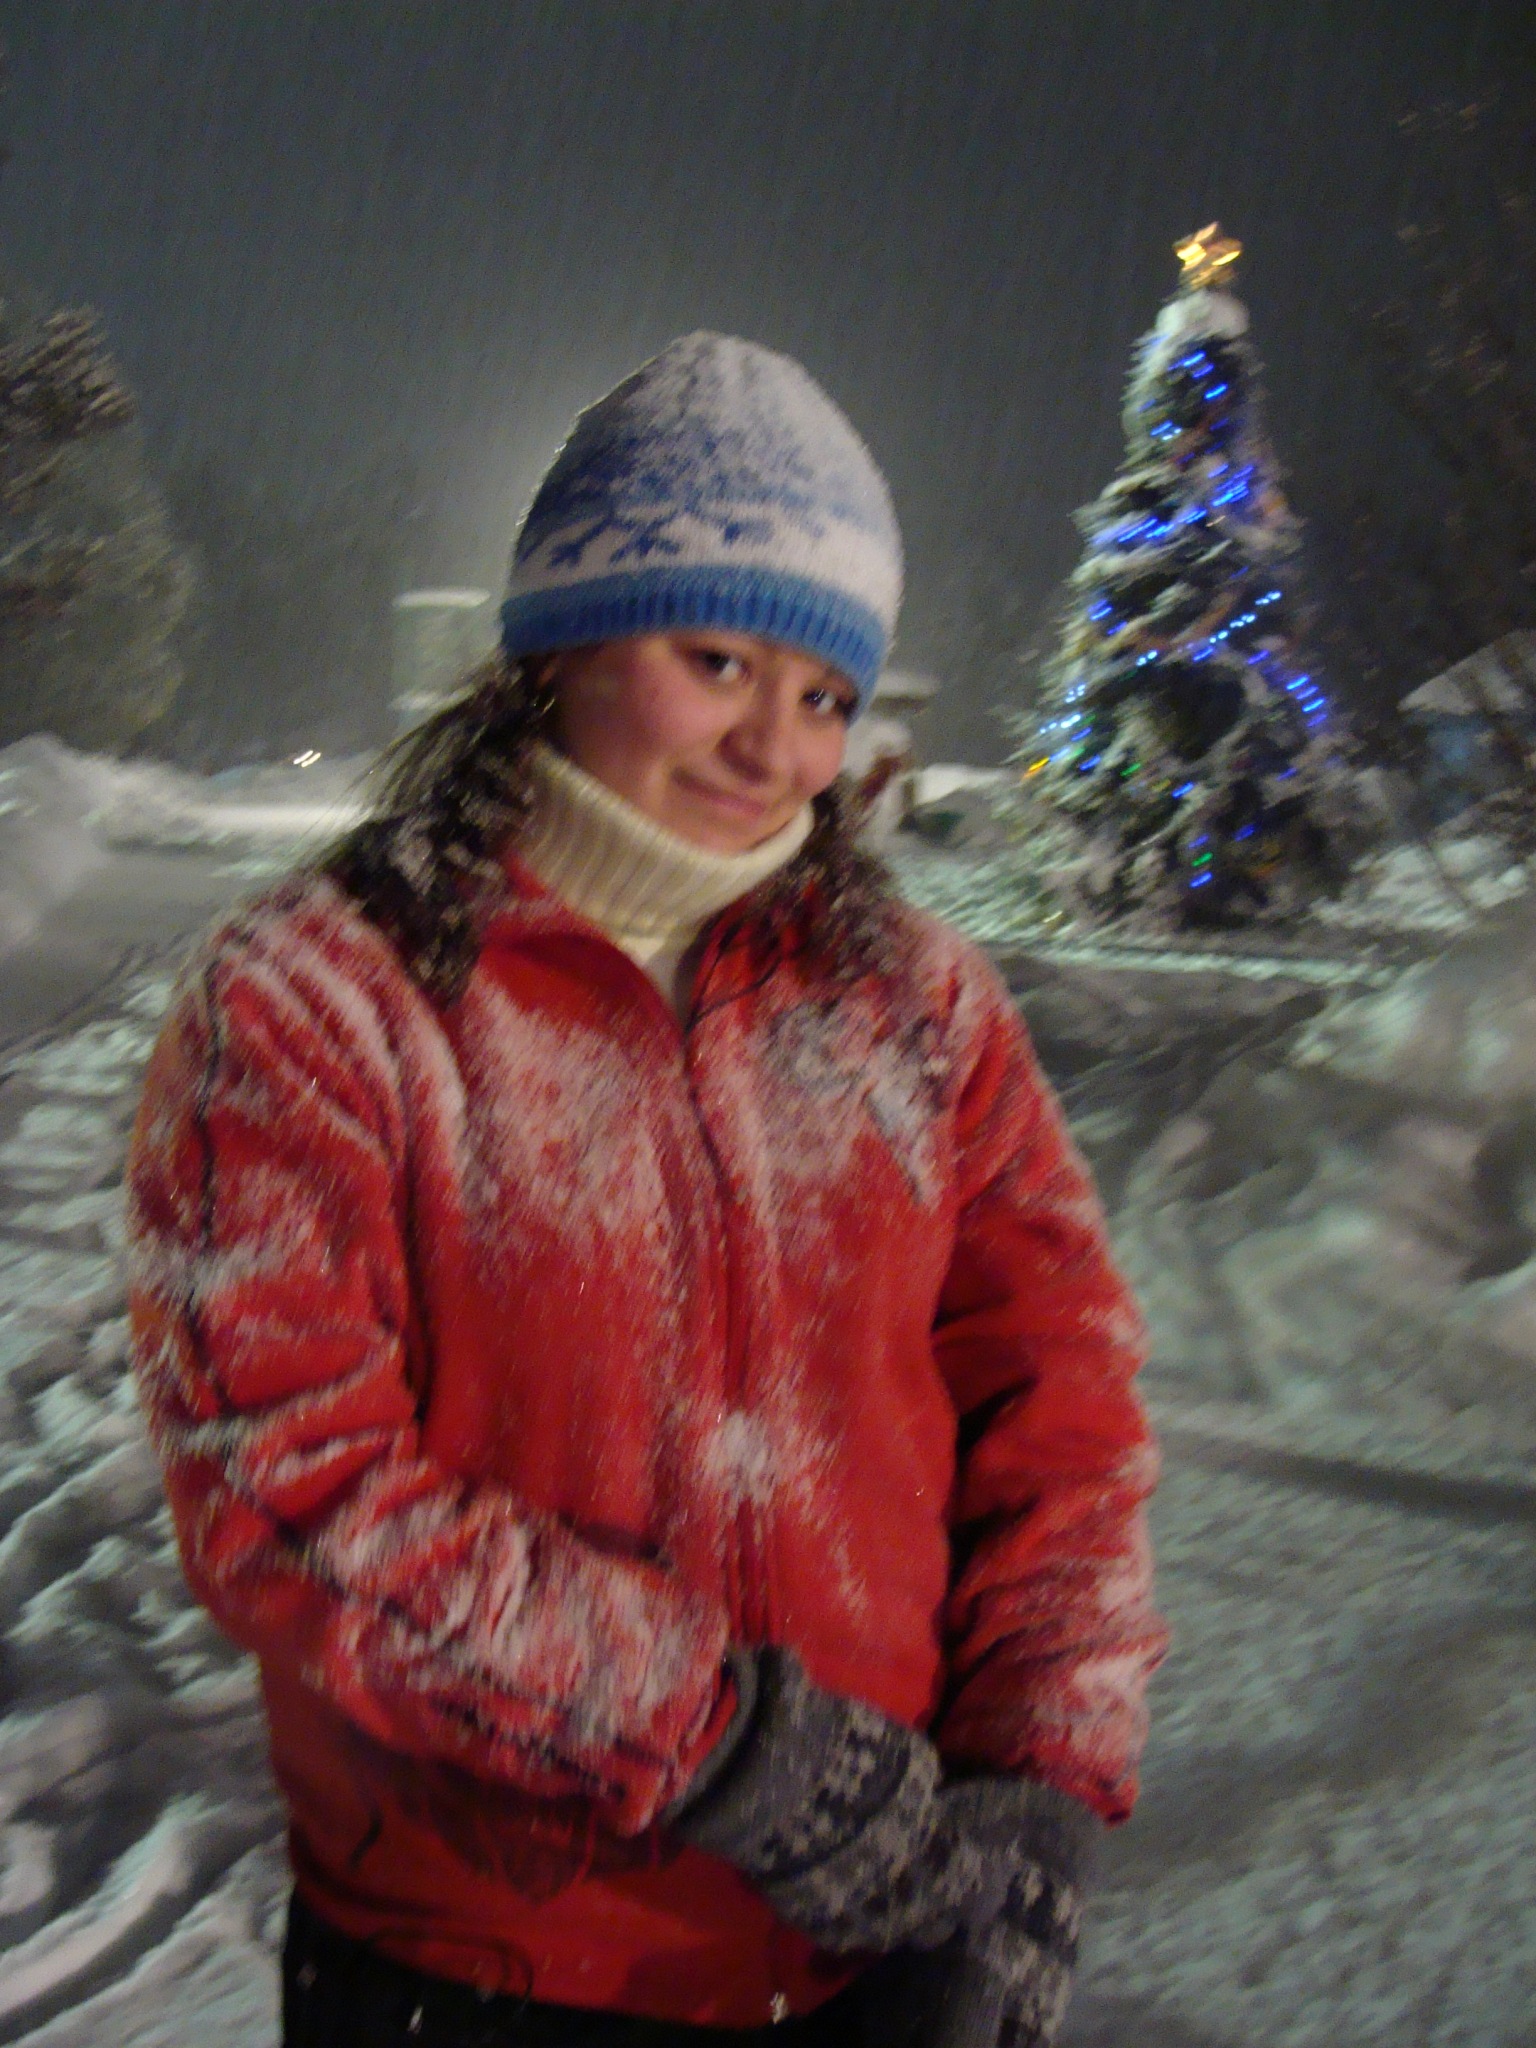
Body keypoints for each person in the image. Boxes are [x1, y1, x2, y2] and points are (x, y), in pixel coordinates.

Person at [125, 333, 1166, 2048]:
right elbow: (287, 1488)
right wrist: (711, 1736)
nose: (774, 746)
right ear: (563, 643)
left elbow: (1064, 1418)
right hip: (481, 1972)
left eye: (825, 697)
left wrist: (1043, 1782)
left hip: (869, 1949)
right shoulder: (319, 999)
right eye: (718, 660)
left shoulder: (920, 1010)